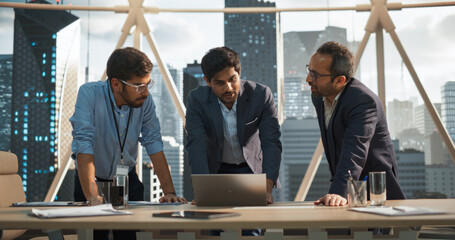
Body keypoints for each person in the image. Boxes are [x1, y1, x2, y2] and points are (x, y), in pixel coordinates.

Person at [70, 47, 187, 240]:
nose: (146, 93)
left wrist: (170, 192)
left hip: (127, 181)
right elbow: (83, 143)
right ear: (116, 84)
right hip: (92, 181)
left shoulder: (144, 102)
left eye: (148, 85)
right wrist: (92, 195)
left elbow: (154, 143)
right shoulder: (89, 94)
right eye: (140, 86)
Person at [307, 41, 405, 207]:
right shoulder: (318, 96)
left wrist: (339, 191)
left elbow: (355, 149)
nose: (308, 79)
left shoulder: (363, 101)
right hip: (349, 190)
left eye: (315, 75)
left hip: (376, 192)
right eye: (309, 71)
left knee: (375, 233)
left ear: (340, 80)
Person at [185, 46, 282, 204]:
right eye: (220, 83)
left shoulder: (261, 95)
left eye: (232, 79)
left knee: (252, 226)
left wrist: (267, 187)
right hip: (216, 169)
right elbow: (196, 145)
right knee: (211, 224)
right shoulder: (197, 100)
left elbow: (271, 142)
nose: (228, 88)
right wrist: (202, 190)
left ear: (239, 73)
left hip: (251, 169)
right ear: (207, 81)